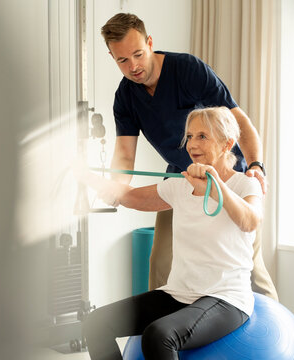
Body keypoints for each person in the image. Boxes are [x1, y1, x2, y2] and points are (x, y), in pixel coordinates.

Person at [100, 13, 277, 300]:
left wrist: (256, 164)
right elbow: (123, 153)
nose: (133, 66)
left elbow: (239, 122)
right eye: (122, 60)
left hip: (226, 175)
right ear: (112, 56)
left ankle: (276, 335)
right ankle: (159, 332)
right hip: (180, 176)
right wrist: (115, 185)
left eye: (138, 54)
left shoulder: (187, 70)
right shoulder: (125, 97)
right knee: (160, 261)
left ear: (150, 43)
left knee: (249, 267)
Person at [78, 107, 263, 359]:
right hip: (178, 293)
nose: (192, 144)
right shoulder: (179, 185)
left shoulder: (245, 184)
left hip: (226, 298)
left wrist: (214, 185)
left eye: (202, 136)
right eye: (189, 136)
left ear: (227, 143)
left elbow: (250, 221)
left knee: (160, 335)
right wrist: (85, 176)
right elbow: (131, 196)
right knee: (97, 322)